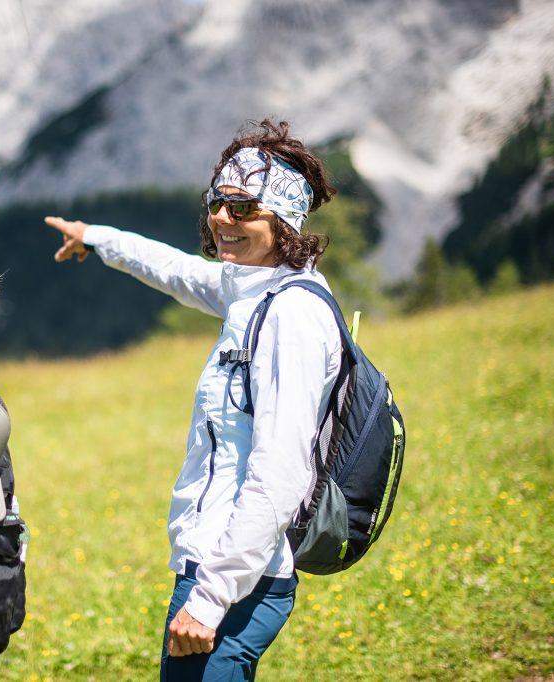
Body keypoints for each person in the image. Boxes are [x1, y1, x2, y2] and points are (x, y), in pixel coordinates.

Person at [45, 119, 341, 681]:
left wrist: (209, 598)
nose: (224, 219)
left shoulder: (291, 315)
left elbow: (280, 474)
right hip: (216, 569)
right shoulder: (250, 289)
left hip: (234, 584)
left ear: (283, 220)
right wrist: (98, 238)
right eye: (218, 201)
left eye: (245, 208)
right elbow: (178, 271)